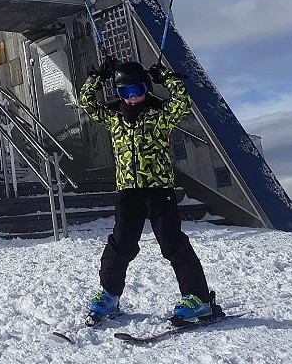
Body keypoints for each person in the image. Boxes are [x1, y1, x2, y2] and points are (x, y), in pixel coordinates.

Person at [80, 58, 217, 324]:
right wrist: (97, 77)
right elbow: (87, 102)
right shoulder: (114, 118)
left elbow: (182, 101)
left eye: (138, 90)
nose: (132, 98)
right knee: (121, 244)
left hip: (158, 190)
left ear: (146, 88)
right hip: (128, 192)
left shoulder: (159, 115)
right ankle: (110, 295)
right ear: (118, 93)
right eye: (125, 92)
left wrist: (166, 76)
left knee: (172, 242)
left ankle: (199, 299)